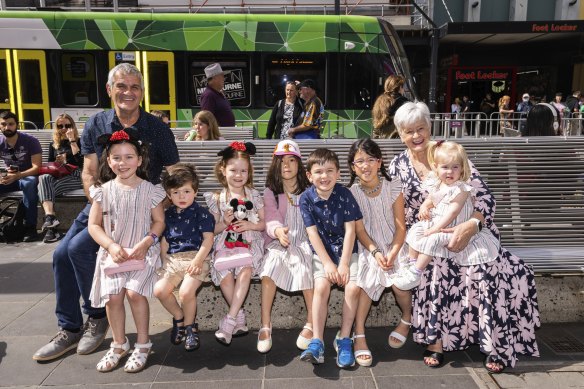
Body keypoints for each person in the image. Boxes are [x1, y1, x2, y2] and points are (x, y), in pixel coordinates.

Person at [33, 63, 179, 362]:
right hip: (104, 204)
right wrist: (101, 202)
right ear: (110, 90)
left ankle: (96, 316)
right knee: (62, 254)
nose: (128, 92)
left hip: (143, 209)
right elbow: (88, 172)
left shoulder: (158, 130)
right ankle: (72, 328)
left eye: (135, 87)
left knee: (78, 250)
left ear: (142, 92)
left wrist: (157, 208)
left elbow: (175, 177)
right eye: (122, 86)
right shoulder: (96, 124)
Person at [389, 101, 539, 374]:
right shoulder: (398, 165)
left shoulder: (450, 153)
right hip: (427, 237)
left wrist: (472, 225)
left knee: (487, 269)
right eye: (408, 131)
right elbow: (397, 210)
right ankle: (436, 341)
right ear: (400, 134)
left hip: (469, 229)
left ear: (429, 126)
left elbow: (485, 198)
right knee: (434, 266)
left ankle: (493, 342)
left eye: (420, 128)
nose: (416, 136)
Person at [87, 128, 166, 373]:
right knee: (113, 297)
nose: (123, 163)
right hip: (114, 253)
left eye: (129, 157)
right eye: (117, 158)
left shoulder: (151, 190)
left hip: (142, 252)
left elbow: (159, 222)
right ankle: (119, 343)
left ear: (140, 160)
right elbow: (93, 225)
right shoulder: (104, 191)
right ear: (108, 161)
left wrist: (148, 241)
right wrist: (110, 245)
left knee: (133, 293)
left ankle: (143, 343)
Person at [391, 140, 499, 290]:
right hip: (436, 222)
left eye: (455, 167)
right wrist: (424, 206)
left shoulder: (461, 188)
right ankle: (410, 264)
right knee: (415, 230)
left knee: (432, 240)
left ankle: (416, 272)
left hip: (452, 228)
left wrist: (435, 229)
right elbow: (431, 198)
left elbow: (453, 212)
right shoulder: (437, 182)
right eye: (445, 168)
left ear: (462, 169)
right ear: (436, 168)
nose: (450, 172)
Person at [298, 148, 362, 368]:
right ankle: (317, 341)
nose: (324, 176)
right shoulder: (305, 198)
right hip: (322, 252)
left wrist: (343, 263)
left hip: (346, 250)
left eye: (329, 171)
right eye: (318, 172)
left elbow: (351, 231)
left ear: (338, 173)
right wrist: (327, 263)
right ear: (309, 175)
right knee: (321, 287)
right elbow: (312, 233)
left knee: (353, 288)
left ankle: (344, 339)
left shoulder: (345, 194)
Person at [346, 138, 408, 367]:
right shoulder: (351, 193)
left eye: (371, 160)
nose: (366, 165)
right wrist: (375, 252)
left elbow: (401, 226)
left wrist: (392, 251)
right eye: (359, 161)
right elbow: (360, 230)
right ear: (353, 166)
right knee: (365, 280)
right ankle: (359, 333)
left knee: (400, 285)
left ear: (379, 162)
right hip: (369, 246)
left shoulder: (393, 186)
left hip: (396, 243)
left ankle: (407, 317)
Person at [204, 141, 265, 345]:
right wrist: (224, 222)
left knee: (246, 269)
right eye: (233, 170)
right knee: (225, 273)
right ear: (223, 170)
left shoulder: (254, 195)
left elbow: (263, 223)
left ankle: (229, 321)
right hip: (225, 244)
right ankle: (238, 318)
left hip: (249, 242)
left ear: (249, 172)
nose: (238, 175)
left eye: (243, 171)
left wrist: (250, 225)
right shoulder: (216, 197)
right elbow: (211, 230)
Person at [257, 140, 313, 353]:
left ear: (299, 164)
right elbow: (271, 218)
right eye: (282, 162)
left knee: (308, 267)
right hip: (280, 240)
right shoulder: (272, 191)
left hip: (307, 241)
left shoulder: (310, 189)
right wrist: (278, 231)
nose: (287, 166)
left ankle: (311, 322)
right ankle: (265, 324)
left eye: (292, 160)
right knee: (269, 268)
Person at [153, 163, 214, 352]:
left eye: (186, 191)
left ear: (195, 192)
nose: (181, 196)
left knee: (186, 292)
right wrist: (165, 262)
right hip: (173, 260)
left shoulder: (202, 214)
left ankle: (190, 328)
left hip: (197, 257)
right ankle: (179, 318)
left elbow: (208, 240)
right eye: (176, 192)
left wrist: (198, 261)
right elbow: (164, 242)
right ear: (169, 195)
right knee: (160, 290)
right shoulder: (167, 215)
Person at [38, 114, 84, 243]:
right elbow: (49, 166)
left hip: (76, 176)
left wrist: (72, 141)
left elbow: (82, 164)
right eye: (60, 126)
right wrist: (59, 162)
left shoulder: (80, 141)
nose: (64, 128)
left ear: (72, 126)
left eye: (67, 125)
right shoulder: (53, 144)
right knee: (44, 178)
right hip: (59, 177)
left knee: (45, 189)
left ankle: (51, 227)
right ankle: (50, 218)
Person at [0, 110, 41, 242]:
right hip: (10, 177)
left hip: (27, 175)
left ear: (17, 125)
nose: (7, 127)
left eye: (11, 124)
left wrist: (18, 175)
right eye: (3, 124)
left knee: (28, 184)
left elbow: (37, 168)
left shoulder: (30, 141)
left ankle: (31, 227)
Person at [200, 63, 235, 127]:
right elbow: (206, 120)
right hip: (218, 135)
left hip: (225, 134)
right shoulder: (208, 95)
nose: (224, 79)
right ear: (215, 78)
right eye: (222, 76)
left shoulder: (218, 93)